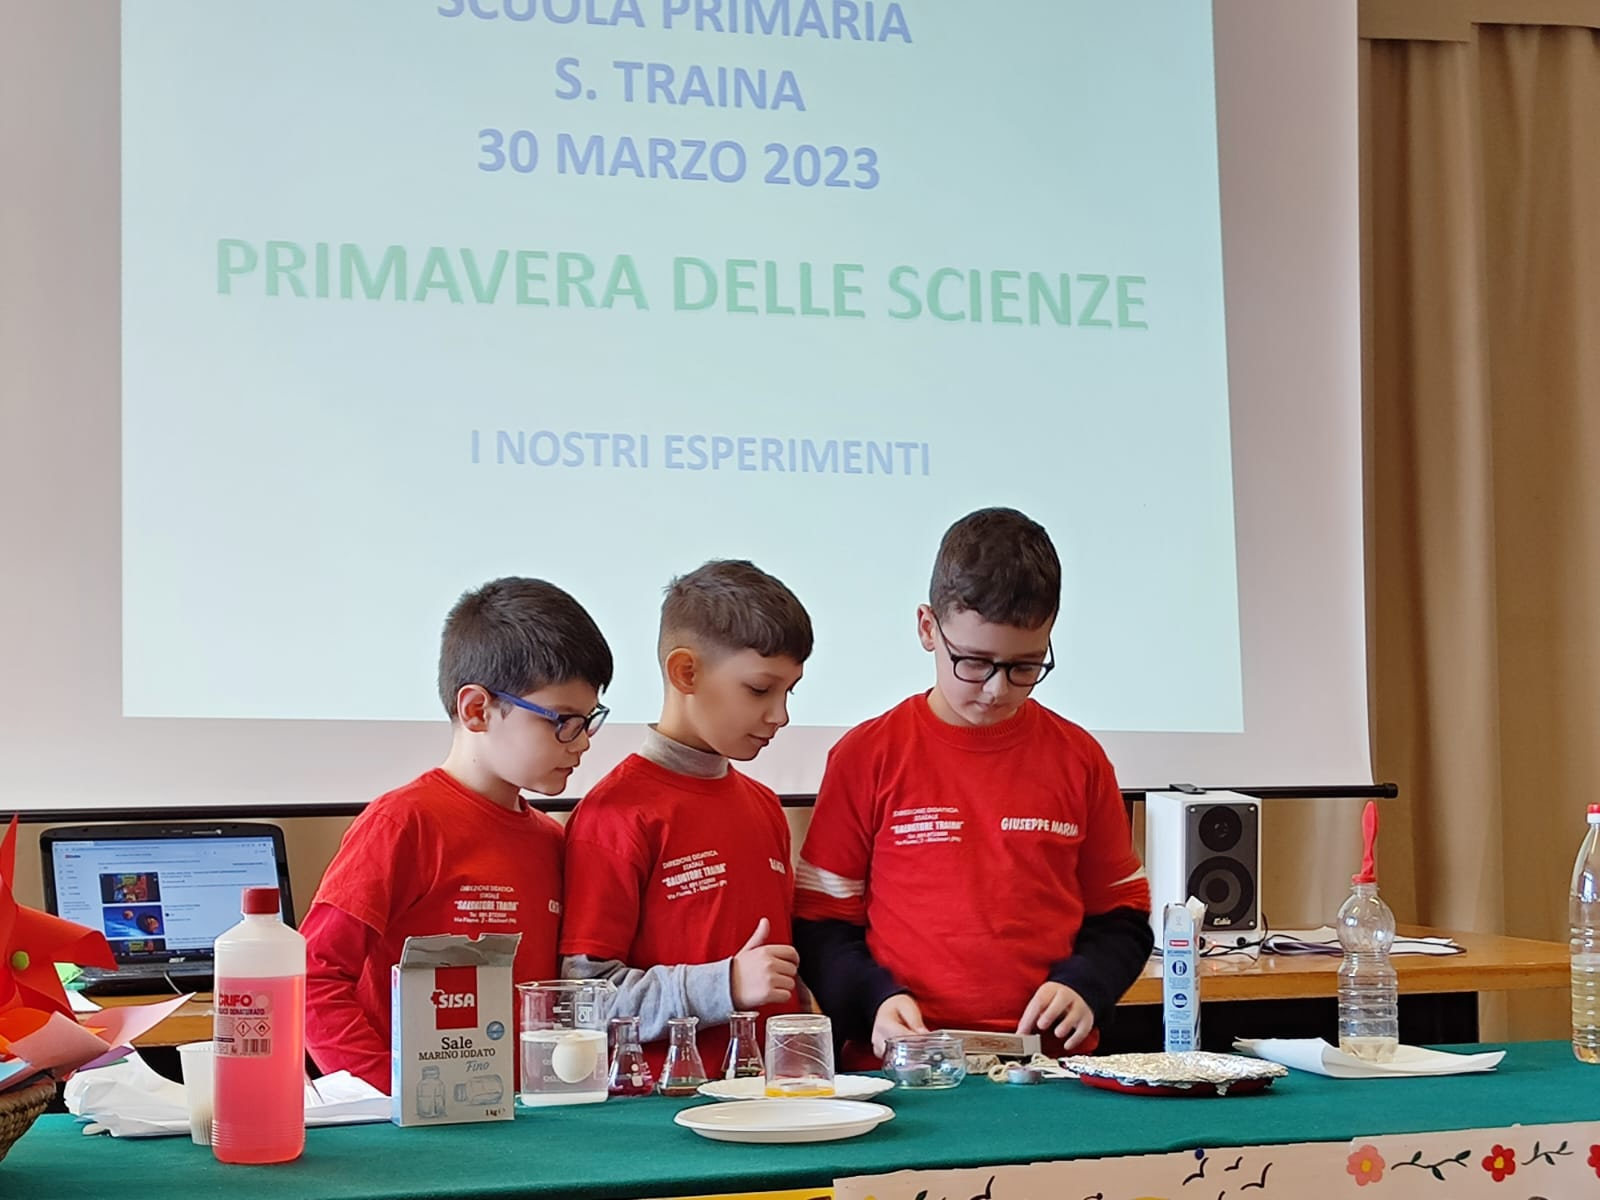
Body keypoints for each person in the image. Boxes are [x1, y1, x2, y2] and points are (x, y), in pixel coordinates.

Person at [794, 507, 1153, 1063]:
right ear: (927, 628)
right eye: (975, 662)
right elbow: (821, 924)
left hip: (1047, 1067)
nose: (995, 689)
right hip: (905, 1066)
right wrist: (873, 1001)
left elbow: (1122, 916)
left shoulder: (1079, 759)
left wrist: (1088, 984)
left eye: (1025, 666)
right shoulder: (867, 756)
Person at [303, 577, 613, 1091]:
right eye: (563, 720)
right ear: (476, 710)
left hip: (521, 1115)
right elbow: (313, 976)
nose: (581, 743)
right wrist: (393, 1093)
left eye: (589, 720)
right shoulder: (403, 823)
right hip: (418, 1118)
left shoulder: (552, 841)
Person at [560, 560, 812, 1076]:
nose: (780, 715)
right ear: (686, 673)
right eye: (759, 689)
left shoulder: (765, 806)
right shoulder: (615, 815)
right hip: (669, 1109)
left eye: (790, 692)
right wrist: (725, 985)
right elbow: (585, 1003)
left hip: (774, 1099)